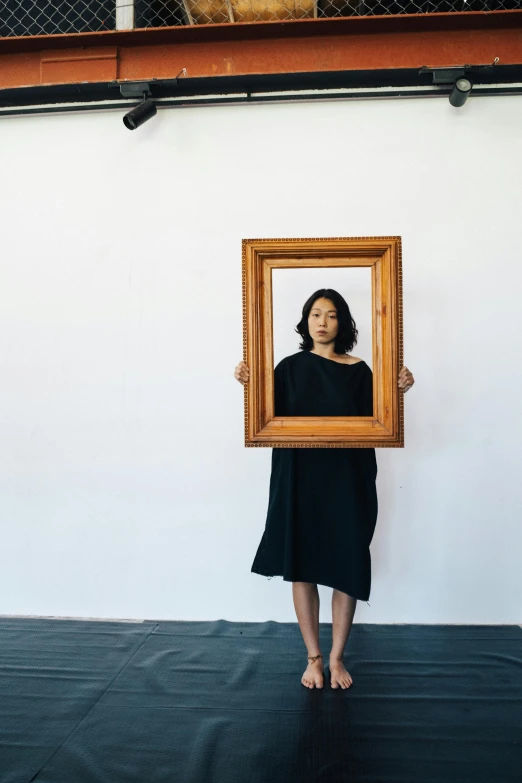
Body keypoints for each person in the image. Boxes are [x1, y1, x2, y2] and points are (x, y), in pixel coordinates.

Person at [234, 289, 414, 691]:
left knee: (346, 560)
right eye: (315, 314)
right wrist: (250, 383)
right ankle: (313, 657)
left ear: (343, 323)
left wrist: (398, 388)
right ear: (305, 321)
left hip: (348, 475)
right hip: (299, 473)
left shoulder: (362, 370)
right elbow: (264, 413)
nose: (322, 322)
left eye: (331, 315)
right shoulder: (288, 368)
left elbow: (383, 416)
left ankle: (336, 657)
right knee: (303, 558)